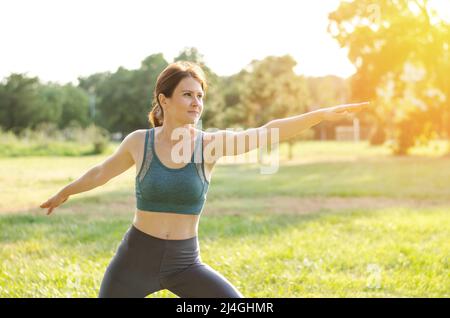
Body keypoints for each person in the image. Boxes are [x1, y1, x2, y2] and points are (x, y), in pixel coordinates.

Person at [39, 61, 370, 298]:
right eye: (187, 95)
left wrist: (319, 115)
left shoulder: (209, 145)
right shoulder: (140, 142)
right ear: (163, 100)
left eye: (200, 96)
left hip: (185, 262)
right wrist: (65, 192)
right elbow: (100, 172)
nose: (196, 102)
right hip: (134, 260)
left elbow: (267, 131)